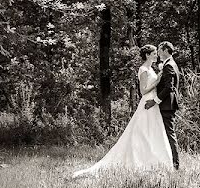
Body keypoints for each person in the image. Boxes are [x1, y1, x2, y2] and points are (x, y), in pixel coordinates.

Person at [72, 44, 173, 178]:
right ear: (148, 55)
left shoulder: (151, 69)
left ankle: (154, 162)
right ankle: (140, 160)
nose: (156, 55)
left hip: (153, 103)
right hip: (147, 101)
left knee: (152, 132)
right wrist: (157, 81)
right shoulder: (143, 69)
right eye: (154, 53)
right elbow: (143, 90)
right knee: (142, 132)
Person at [144, 41, 181, 170]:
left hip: (166, 105)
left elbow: (169, 88)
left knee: (169, 134)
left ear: (165, 50)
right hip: (168, 104)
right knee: (167, 133)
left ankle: (175, 165)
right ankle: (168, 162)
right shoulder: (170, 64)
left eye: (159, 50)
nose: (158, 53)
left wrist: (154, 101)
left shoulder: (169, 66)